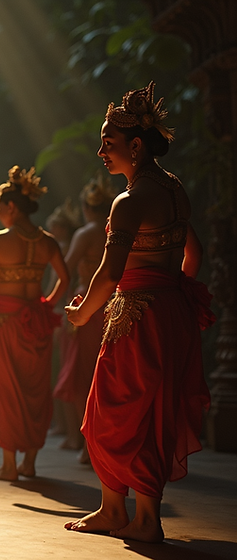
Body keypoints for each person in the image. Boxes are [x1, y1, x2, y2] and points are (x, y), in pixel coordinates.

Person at [64, 82, 212, 543]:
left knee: (109, 410)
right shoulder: (175, 191)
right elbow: (194, 253)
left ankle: (117, 510)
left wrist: (82, 315)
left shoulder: (128, 202)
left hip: (138, 314)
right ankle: (143, 516)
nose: (100, 153)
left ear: (135, 145)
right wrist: (175, 291)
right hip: (171, 313)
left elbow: (109, 274)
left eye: (108, 145)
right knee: (153, 410)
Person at [0, 165, 69, 481]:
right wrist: (46, 305)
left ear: (11, 207)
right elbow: (65, 279)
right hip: (36, 324)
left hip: (4, 324)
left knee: (6, 392)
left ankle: (9, 465)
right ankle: (30, 463)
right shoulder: (48, 242)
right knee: (34, 390)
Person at [54, 174, 115, 462]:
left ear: (87, 209)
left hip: (86, 305)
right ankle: (107, 442)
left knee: (82, 374)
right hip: (116, 305)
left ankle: (88, 444)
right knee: (110, 373)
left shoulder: (86, 233)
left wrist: (53, 303)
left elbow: (65, 271)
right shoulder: (117, 229)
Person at [44, 200, 82, 444]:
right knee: (61, 367)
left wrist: (47, 305)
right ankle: (64, 425)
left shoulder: (67, 248)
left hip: (64, 306)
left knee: (66, 367)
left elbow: (61, 279)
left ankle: (72, 431)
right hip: (60, 305)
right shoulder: (60, 247)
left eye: (56, 226)